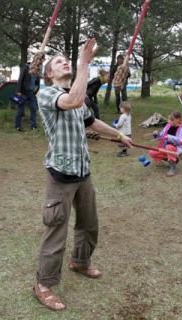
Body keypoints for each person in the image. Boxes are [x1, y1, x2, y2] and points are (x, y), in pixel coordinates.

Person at [32, 38, 133, 311]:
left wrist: (120, 134)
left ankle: (80, 261)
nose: (64, 62)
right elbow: (73, 100)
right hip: (60, 175)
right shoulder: (47, 94)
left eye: (67, 59)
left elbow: (92, 122)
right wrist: (83, 63)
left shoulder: (77, 95)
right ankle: (43, 285)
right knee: (56, 231)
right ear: (49, 73)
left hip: (83, 172)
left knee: (89, 224)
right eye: (58, 61)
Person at [150, 111, 182, 177]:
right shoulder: (168, 125)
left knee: (169, 146)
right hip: (165, 148)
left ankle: (172, 168)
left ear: (177, 120)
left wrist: (169, 137)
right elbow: (161, 136)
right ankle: (173, 160)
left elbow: (180, 140)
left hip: (176, 149)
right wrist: (156, 135)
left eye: (170, 120)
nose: (168, 121)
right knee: (152, 152)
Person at [15, 62, 40, 131]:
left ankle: (33, 126)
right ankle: (18, 126)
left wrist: (36, 90)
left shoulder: (38, 72)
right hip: (23, 92)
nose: (36, 69)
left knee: (34, 109)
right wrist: (18, 91)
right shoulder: (26, 68)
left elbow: (37, 83)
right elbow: (20, 79)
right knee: (21, 110)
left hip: (32, 93)